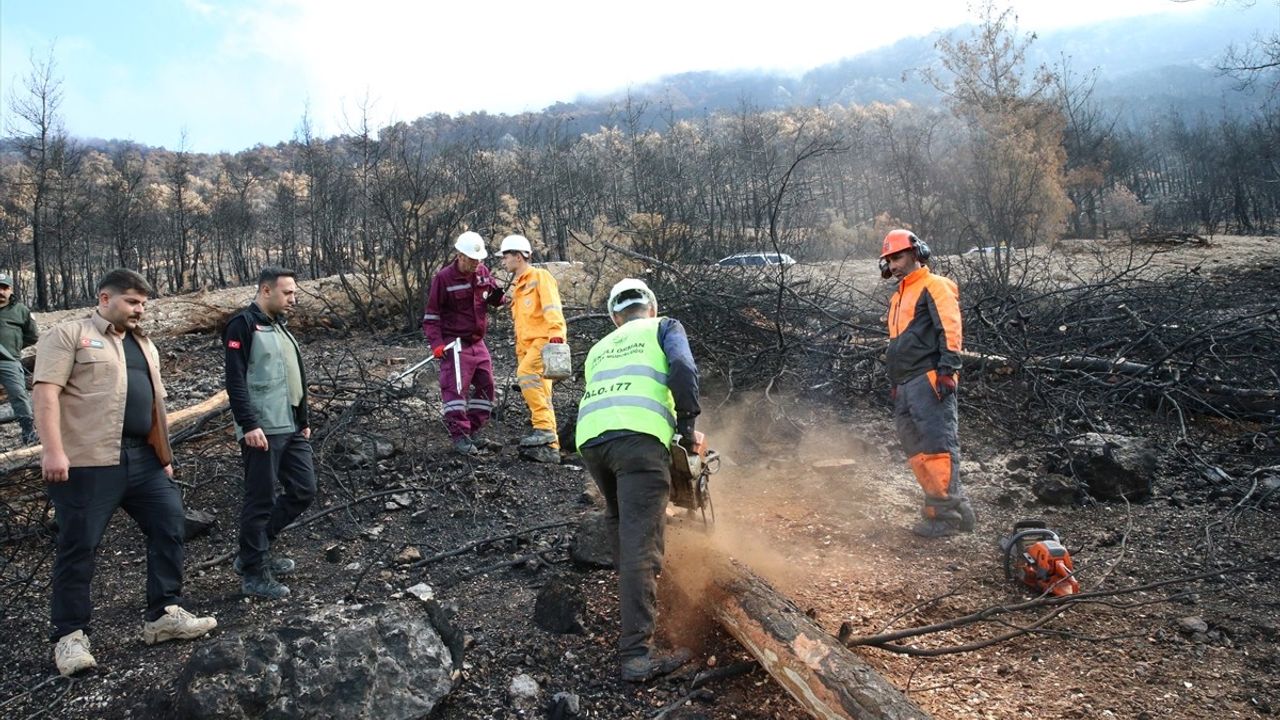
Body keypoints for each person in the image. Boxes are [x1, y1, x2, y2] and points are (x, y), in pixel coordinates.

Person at [34, 268, 217, 677]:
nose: (139, 310)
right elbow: (45, 394)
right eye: (132, 302)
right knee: (79, 545)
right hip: (88, 461)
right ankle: (70, 636)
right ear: (105, 298)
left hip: (144, 460)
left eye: (143, 304)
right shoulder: (68, 334)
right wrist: (53, 451)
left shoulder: (144, 344)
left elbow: (155, 404)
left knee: (170, 525)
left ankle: (163, 615)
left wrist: (163, 454)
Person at [575, 278, 700, 682]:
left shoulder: (599, 347)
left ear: (615, 317)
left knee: (621, 525)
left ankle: (633, 599)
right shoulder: (664, 326)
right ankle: (636, 656)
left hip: (592, 441)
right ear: (651, 306)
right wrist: (687, 425)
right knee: (641, 546)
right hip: (639, 441)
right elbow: (683, 368)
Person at [223, 266, 316, 599]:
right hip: (262, 427)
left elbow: (293, 375)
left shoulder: (279, 326)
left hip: (290, 425)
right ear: (266, 290)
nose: (293, 299)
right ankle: (253, 573)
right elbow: (235, 380)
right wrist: (248, 424)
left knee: (304, 489)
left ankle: (255, 549)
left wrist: (303, 418)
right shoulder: (243, 325)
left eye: (294, 293)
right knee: (260, 498)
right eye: (287, 292)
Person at [880, 229, 977, 538]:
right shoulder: (899, 296)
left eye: (898, 257)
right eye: (889, 261)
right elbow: (897, 343)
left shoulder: (934, 285)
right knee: (915, 447)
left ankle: (944, 516)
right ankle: (956, 507)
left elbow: (950, 328)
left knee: (937, 446)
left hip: (928, 377)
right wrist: (895, 381)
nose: (894, 265)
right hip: (905, 382)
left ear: (916, 252)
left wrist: (948, 370)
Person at [422, 231, 506, 455]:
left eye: (479, 259)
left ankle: (473, 429)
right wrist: (437, 343)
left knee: (487, 384)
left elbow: (494, 296)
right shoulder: (444, 279)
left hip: (478, 342)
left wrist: (498, 298)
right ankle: (459, 435)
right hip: (455, 343)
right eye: (471, 259)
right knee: (455, 389)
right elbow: (431, 316)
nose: (476, 263)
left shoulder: (482, 272)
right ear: (459, 255)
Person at [498, 234, 566, 464]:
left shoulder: (540, 277)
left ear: (518, 256)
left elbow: (552, 306)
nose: (503, 261)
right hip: (526, 346)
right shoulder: (518, 286)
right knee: (542, 393)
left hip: (544, 340)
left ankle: (543, 429)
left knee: (526, 374)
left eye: (506, 256)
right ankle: (551, 447)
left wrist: (556, 334)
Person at [0, 271, 39, 445]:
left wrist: (13, 348)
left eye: (4, 288)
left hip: (9, 361)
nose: (1, 292)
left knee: (18, 394)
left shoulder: (21, 310)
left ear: (11, 289)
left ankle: (28, 432)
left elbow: (32, 336)